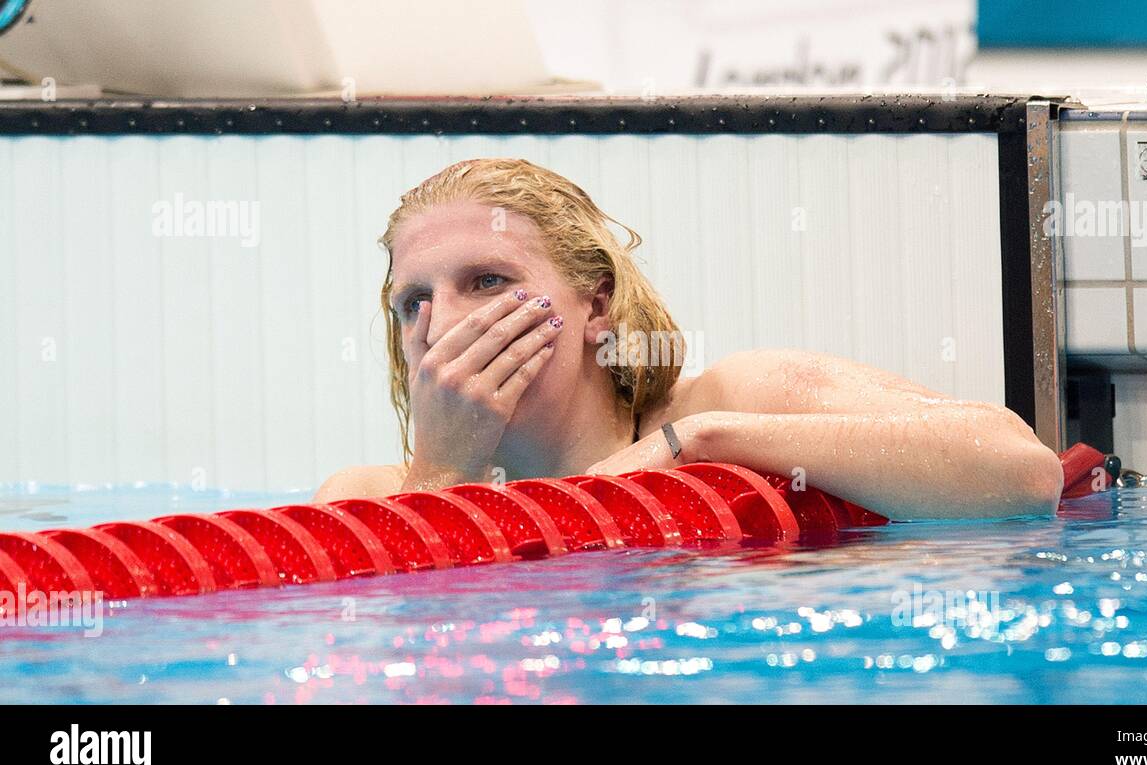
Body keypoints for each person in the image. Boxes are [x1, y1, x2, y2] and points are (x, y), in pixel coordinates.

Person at [314, 158, 1063, 520]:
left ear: (596, 305)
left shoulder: (735, 399)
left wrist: (700, 440)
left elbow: (1024, 473)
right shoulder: (367, 499)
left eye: (486, 281)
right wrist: (443, 471)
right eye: (412, 301)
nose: (441, 326)